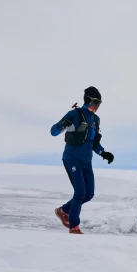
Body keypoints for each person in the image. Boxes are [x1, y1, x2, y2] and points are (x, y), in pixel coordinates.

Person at [50, 86, 114, 234]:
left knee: (88, 194)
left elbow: (94, 143)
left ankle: (64, 210)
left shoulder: (96, 120)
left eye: (99, 104)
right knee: (79, 193)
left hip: (86, 162)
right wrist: (63, 125)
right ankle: (74, 227)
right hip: (72, 158)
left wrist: (104, 153)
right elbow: (53, 132)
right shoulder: (74, 114)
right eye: (95, 102)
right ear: (87, 100)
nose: (97, 107)